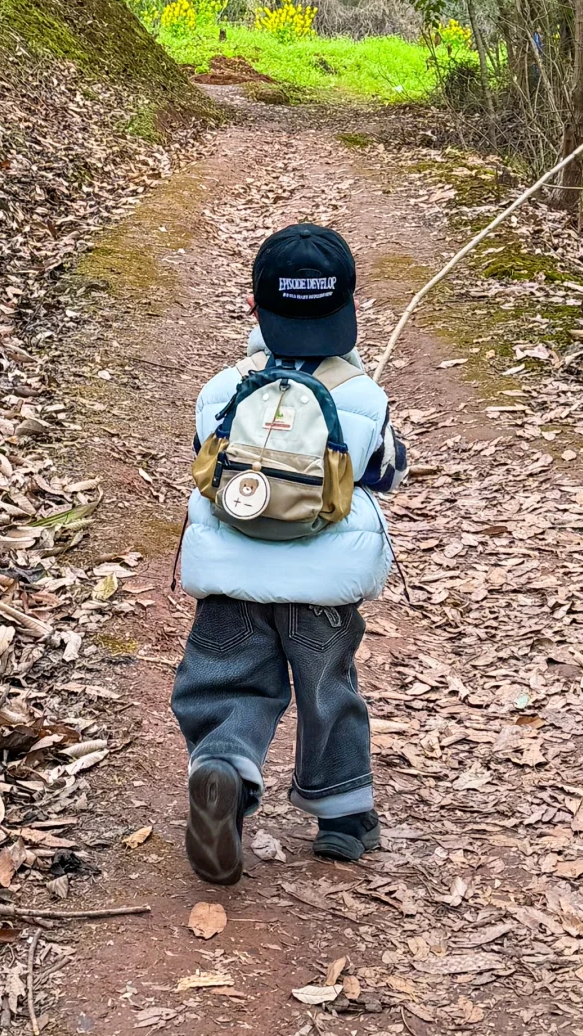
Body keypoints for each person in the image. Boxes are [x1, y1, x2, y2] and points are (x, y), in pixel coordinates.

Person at [171, 223, 407, 884]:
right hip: (322, 591)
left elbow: (204, 463)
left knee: (226, 683)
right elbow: (388, 473)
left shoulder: (222, 390)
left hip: (230, 582)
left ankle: (225, 766)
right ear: (349, 311)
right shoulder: (361, 397)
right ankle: (344, 819)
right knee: (327, 689)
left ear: (255, 307)